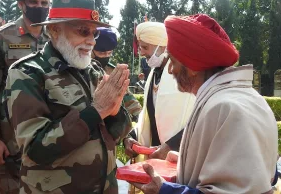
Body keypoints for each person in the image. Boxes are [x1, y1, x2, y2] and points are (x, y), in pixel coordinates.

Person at [130, 14, 278, 194]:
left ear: (192, 67)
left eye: (174, 62)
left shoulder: (226, 108)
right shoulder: (242, 99)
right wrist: (189, 164)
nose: (170, 70)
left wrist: (165, 190)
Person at [4, 0, 132, 193]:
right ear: (55, 30)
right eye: (83, 31)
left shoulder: (93, 70)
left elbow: (116, 132)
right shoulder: (28, 73)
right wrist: (96, 111)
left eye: (94, 33)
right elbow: (36, 150)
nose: (91, 41)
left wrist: (115, 112)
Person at [0, 0, 50, 193]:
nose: (40, 7)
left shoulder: (55, 36)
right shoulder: (0, 37)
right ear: (21, 4)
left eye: (44, 3)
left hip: (49, 138)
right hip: (10, 140)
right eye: (34, 2)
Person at [124, 21, 195, 160]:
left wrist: (171, 146)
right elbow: (148, 117)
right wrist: (131, 137)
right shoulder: (153, 74)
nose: (141, 53)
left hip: (181, 157)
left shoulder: (185, 74)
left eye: (145, 47)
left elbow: (198, 121)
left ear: (162, 46)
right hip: (156, 159)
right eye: (140, 48)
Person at [92, 27, 142, 122]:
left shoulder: (112, 71)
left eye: (109, 53)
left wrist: (140, 117)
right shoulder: (79, 69)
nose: (106, 56)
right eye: (101, 53)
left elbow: (127, 98)